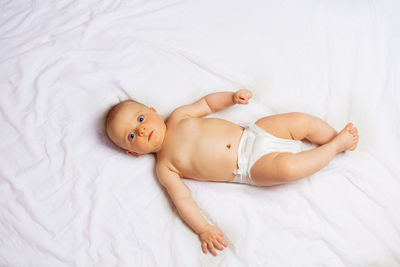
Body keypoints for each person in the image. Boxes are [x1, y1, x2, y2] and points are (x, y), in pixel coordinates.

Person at [105, 89, 359, 256]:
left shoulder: (179, 116)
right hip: (250, 167)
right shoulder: (164, 167)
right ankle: (336, 147)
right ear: (134, 153)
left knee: (300, 121)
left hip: (254, 132)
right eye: (130, 136)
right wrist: (203, 228)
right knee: (289, 168)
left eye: (139, 119)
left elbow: (205, 104)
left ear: (152, 111)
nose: (139, 131)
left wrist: (230, 98)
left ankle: (333, 136)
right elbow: (182, 200)